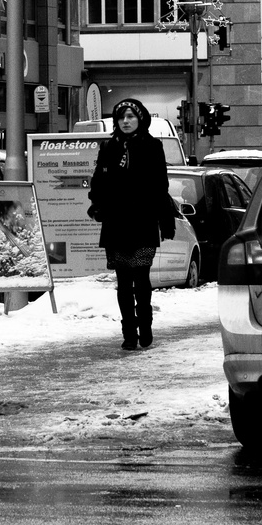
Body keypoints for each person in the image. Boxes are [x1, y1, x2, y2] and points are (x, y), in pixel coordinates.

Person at [86, 99, 171, 351]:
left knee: (141, 279)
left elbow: (160, 185)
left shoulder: (152, 146)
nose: (126, 121)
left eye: (131, 116)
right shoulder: (109, 147)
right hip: (116, 223)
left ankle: (145, 327)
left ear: (140, 119)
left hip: (143, 222)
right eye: (121, 117)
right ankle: (128, 334)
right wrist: (97, 204)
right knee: (123, 282)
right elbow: (98, 182)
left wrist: (164, 218)